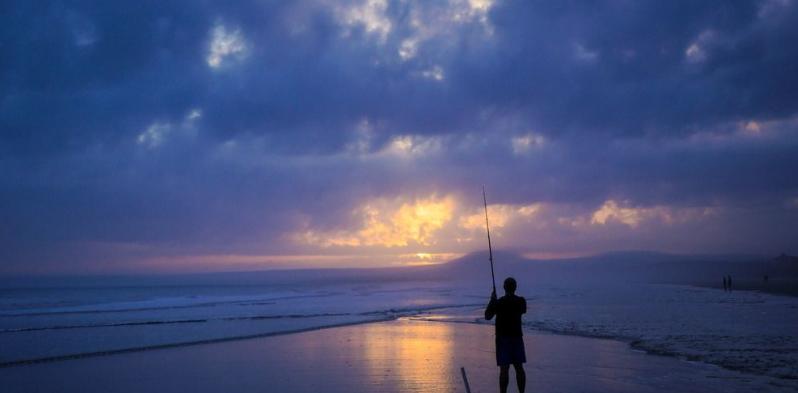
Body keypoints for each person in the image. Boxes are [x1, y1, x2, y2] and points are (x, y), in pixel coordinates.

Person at [485, 277, 527, 393]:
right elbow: (523, 310)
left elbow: (487, 316)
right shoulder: (521, 301)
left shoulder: (499, 303)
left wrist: (492, 300)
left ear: (504, 287)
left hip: (503, 340)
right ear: (515, 287)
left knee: (504, 370)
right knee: (519, 368)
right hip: (517, 338)